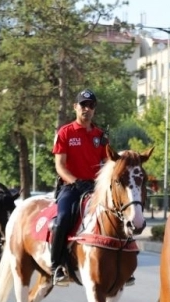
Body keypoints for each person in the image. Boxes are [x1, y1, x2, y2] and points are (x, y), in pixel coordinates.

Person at [51, 89, 111, 286]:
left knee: (117, 214)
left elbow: (109, 163)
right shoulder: (65, 132)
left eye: (91, 105)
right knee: (62, 219)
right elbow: (60, 166)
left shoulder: (100, 135)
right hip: (72, 186)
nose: (87, 109)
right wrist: (75, 181)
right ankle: (56, 265)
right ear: (75, 107)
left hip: (95, 188)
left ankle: (123, 263)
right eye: (83, 105)